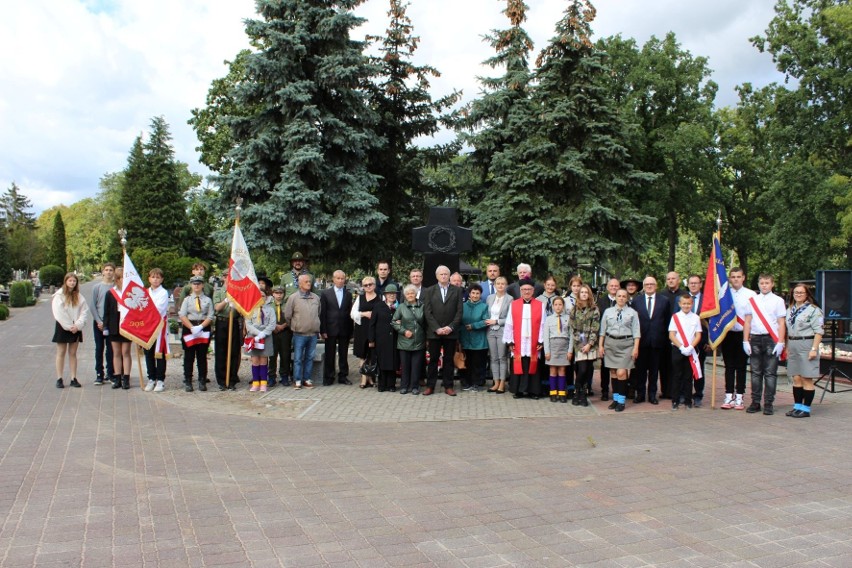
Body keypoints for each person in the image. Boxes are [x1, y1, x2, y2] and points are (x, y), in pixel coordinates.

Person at [742, 273, 786, 415]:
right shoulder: (752, 300)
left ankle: (768, 403)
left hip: (771, 339)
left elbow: (781, 323)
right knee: (755, 372)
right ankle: (755, 402)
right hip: (755, 337)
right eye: (762, 283)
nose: (764, 285)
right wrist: (745, 340)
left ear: (772, 284)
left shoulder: (778, 300)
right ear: (758, 284)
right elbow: (747, 321)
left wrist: (780, 341)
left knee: (770, 372)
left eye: (767, 283)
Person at [422, 265, 464, 396]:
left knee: (448, 360)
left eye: (446, 274)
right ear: (437, 276)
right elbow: (427, 312)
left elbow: (459, 312)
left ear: (449, 276)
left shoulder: (457, 291)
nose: (444, 276)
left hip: (450, 333)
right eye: (441, 274)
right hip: (434, 333)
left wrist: (450, 327)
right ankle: (430, 386)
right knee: (433, 360)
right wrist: (437, 328)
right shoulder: (429, 291)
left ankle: (448, 386)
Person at [785, 284, 824, 418]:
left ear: (807, 294)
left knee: (806, 378)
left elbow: (819, 332)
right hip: (793, 343)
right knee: (796, 377)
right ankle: (797, 407)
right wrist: (787, 346)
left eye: (801, 292)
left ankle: (806, 409)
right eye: (796, 292)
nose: (798, 295)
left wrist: (814, 349)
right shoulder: (790, 309)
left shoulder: (814, 310)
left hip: (807, 344)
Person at [503, 279, 546, 399]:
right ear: (520, 291)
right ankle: (518, 391)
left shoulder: (540, 305)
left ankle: (534, 391)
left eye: (529, 289)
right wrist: (509, 341)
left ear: (533, 291)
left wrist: (541, 341)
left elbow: (543, 324)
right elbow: (509, 324)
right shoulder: (514, 304)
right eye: (524, 289)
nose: (526, 292)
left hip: (534, 341)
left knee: (533, 365)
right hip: (518, 341)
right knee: (519, 364)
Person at [720, 267, 756, 410]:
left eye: (738, 276)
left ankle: (740, 396)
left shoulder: (751, 294)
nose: (735, 279)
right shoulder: (723, 294)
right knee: (729, 366)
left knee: (741, 366)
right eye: (733, 276)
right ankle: (729, 395)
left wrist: (750, 335)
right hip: (728, 333)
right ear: (729, 278)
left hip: (743, 333)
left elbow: (753, 316)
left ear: (743, 277)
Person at [599, 289, 640, 412]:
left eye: (624, 296)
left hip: (626, 344)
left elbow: (636, 332)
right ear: (615, 297)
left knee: (621, 372)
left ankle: (621, 401)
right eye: (619, 296)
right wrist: (601, 346)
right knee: (613, 372)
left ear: (627, 298)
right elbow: (602, 331)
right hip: (610, 343)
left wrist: (635, 348)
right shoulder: (608, 311)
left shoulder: (632, 313)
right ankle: (615, 399)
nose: (621, 298)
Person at [632, 276, 671, 404]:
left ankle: (652, 394)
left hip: (657, 341)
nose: (649, 286)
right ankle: (640, 394)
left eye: (652, 284)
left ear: (656, 286)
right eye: (647, 284)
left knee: (654, 371)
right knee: (640, 371)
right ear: (643, 286)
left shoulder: (664, 301)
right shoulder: (636, 301)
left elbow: (667, 321)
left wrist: (665, 340)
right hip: (641, 341)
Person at [279, 252, 312, 384]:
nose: (297, 263)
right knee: (286, 349)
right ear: (292, 263)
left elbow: (313, 295)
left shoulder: (309, 276)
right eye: (295, 261)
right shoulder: (285, 277)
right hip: (288, 317)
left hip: (303, 317)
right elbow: (281, 296)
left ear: (303, 262)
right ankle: (285, 375)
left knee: (301, 349)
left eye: (300, 261)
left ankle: (298, 375)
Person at [52, 272, 90, 389]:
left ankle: (73, 377)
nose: (72, 283)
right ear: (66, 281)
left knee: (73, 354)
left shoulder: (79, 296)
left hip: (75, 328)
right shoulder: (59, 296)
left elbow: (84, 311)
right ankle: (59, 378)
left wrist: (77, 325)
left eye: (74, 281)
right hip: (63, 327)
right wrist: (69, 326)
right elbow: (59, 312)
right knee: (61, 353)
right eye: (70, 281)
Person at [284, 273, 321, 390]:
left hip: (313, 334)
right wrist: (295, 325)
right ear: (300, 284)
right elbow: (288, 315)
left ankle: (307, 379)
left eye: (309, 281)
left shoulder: (315, 297)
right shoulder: (293, 298)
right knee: (298, 358)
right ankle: (297, 380)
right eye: (306, 282)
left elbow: (318, 313)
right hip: (299, 334)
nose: (309, 283)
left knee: (310, 358)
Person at [178, 275, 214, 392]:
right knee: (189, 356)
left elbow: (210, 316)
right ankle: (188, 380)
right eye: (194, 284)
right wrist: (192, 328)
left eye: (199, 283)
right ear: (191, 285)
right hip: (190, 328)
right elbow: (182, 315)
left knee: (202, 356)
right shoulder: (187, 300)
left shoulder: (208, 300)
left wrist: (200, 327)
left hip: (203, 327)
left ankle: (202, 380)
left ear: (203, 285)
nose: (196, 285)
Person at [668, 293, 703, 410]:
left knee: (688, 376)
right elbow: (672, 335)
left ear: (692, 304)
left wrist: (691, 347)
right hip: (678, 349)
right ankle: (675, 400)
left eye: (688, 304)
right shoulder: (675, 317)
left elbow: (698, 335)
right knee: (676, 375)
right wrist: (681, 347)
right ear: (679, 304)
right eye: (684, 303)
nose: (686, 306)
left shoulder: (696, 318)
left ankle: (688, 401)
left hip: (691, 350)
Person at [320, 270, 354, 385]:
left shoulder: (348, 294)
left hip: (344, 328)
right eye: (338, 278)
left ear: (345, 280)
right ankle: (329, 377)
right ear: (333, 279)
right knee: (330, 354)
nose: (340, 280)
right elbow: (323, 313)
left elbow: (350, 313)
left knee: (343, 354)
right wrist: (323, 330)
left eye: (342, 278)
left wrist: (351, 331)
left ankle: (343, 376)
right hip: (330, 328)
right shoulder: (326, 294)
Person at [392, 284, 426, 395]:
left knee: (416, 367)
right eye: (408, 293)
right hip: (404, 342)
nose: (410, 295)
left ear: (416, 294)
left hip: (419, 341)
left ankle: (415, 386)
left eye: (412, 293)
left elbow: (427, 323)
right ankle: (404, 386)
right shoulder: (401, 307)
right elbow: (394, 321)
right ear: (405, 295)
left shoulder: (422, 306)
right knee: (405, 366)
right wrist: (403, 331)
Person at [570, 284, 600, 406]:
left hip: (591, 345)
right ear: (578, 294)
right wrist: (582, 344)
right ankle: (577, 391)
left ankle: (583, 394)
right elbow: (573, 328)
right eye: (581, 292)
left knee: (588, 370)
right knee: (581, 369)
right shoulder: (574, 309)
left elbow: (595, 328)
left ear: (589, 295)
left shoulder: (594, 309)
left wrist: (589, 344)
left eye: (586, 292)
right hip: (579, 345)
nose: (583, 294)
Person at [244, 284, 276, 392]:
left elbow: (272, 324)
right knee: (255, 360)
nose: (261, 298)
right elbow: (248, 324)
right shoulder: (250, 309)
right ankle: (255, 383)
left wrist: (263, 334)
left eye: (263, 296)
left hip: (265, 336)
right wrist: (257, 334)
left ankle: (263, 383)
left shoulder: (270, 309)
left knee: (263, 360)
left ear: (266, 297)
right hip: (253, 336)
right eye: (258, 296)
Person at [105, 267, 132, 390]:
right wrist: (105, 326)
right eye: (121, 278)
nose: (123, 280)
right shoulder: (110, 293)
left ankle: (126, 378)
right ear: (116, 280)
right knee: (116, 353)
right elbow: (107, 312)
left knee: (125, 352)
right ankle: (117, 377)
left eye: (125, 278)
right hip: (114, 326)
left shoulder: (131, 292)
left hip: (127, 325)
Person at [369, 284, 399, 392]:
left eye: (394, 293)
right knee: (382, 362)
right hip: (381, 339)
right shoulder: (378, 306)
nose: (391, 295)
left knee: (393, 362)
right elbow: (372, 324)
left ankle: (391, 385)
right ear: (385, 295)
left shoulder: (399, 306)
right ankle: (382, 384)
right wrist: (371, 340)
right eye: (389, 293)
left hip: (395, 339)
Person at [212, 283, 243, 391]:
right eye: (226, 277)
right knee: (221, 352)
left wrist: (236, 304)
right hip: (222, 322)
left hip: (233, 322)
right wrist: (226, 300)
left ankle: (231, 380)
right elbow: (217, 307)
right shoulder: (219, 292)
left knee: (234, 351)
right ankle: (222, 380)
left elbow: (242, 310)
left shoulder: (239, 292)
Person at [542, 296, 573, 403]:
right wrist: (547, 351)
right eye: (556, 305)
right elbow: (545, 337)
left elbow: (571, 335)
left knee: (562, 370)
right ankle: (553, 392)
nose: (558, 307)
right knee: (553, 370)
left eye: (560, 304)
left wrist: (570, 350)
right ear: (553, 306)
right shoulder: (549, 319)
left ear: (563, 306)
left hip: (564, 346)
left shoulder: (568, 318)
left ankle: (562, 393)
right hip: (553, 346)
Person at [143, 268, 169, 393]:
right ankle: (151, 378)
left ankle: (160, 379)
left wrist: (146, 310)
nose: (155, 279)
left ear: (162, 279)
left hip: (158, 326)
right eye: (153, 277)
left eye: (158, 277)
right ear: (149, 279)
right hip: (147, 327)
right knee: (148, 353)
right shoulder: (145, 292)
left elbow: (158, 309)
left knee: (159, 353)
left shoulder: (163, 293)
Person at [351, 276, 379, 388]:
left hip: (374, 329)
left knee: (372, 354)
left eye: (370, 284)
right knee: (362, 354)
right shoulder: (360, 298)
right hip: (361, 329)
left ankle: (371, 378)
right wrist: (363, 314)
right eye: (366, 285)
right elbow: (352, 313)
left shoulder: (379, 298)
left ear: (374, 285)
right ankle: (363, 379)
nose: (368, 287)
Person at [460, 284, 489, 391]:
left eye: (477, 293)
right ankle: (466, 383)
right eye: (473, 293)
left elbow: (486, 321)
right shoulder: (462, 306)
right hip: (465, 338)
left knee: (478, 363)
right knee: (466, 362)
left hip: (479, 340)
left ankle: (477, 383)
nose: (475, 295)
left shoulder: (484, 306)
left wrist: (473, 326)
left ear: (480, 294)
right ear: (469, 294)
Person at [686, 274, 709, 407]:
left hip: (702, 342)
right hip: (685, 341)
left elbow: (713, 322)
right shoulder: (682, 298)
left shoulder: (708, 300)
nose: (693, 285)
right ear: (688, 284)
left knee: (699, 369)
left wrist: (711, 342)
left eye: (696, 283)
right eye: (691, 283)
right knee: (685, 370)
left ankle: (698, 394)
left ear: (701, 284)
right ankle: (686, 394)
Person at [485, 276, 511, 394]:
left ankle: (502, 383)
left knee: (502, 357)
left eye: (503, 283)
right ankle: (495, 382)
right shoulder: (490, 298)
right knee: (493, 357)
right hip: (490, 331)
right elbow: (486, 313)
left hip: (502, 330)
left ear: (506, 285)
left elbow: (511, 318)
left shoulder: (510, 299)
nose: (500, 286)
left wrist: (497, 321)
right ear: (494, 285)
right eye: (498, 283)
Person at [91, 262, 115, 385]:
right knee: (99, 348)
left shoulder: (116, 287)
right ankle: (99, 373)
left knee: (111, 349)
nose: (109, 272)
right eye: (106, 270)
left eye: (111, 270)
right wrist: (99, 321)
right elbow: (93, 305)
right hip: (99, 322)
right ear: (103, 272)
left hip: (111, 323)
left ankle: (111, 373)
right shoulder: (97, 287)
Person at [596, 278, 620, 401]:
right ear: (607, 287)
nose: (614, 288)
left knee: (619, 367)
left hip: (620, 339)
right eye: (612, 285)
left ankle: (618, 391)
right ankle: (604, 390)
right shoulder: (601, 301)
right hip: (605, 338)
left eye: (616, 286)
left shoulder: (622, 300)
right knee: (605, 366)